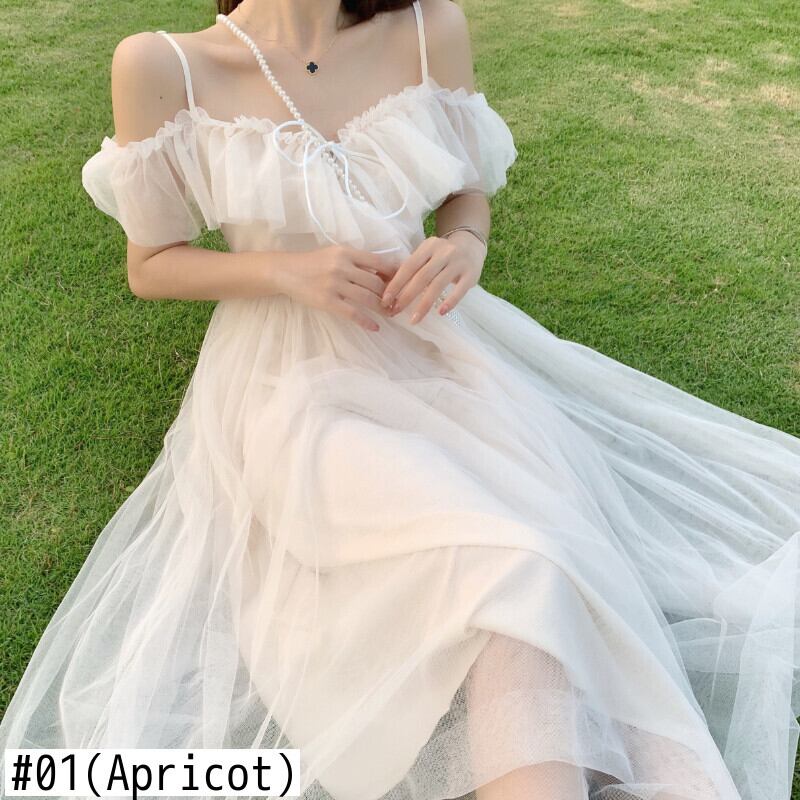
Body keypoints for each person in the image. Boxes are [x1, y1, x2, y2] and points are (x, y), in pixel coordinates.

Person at [1, 0, 799, 798]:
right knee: (518, 564)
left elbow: (466, 193)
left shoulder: (428, 27)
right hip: (290, 380)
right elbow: (151, 263)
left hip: (439, 351)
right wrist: (284, 271)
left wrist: (464, 246)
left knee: (549, 565)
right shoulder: (162, 63)